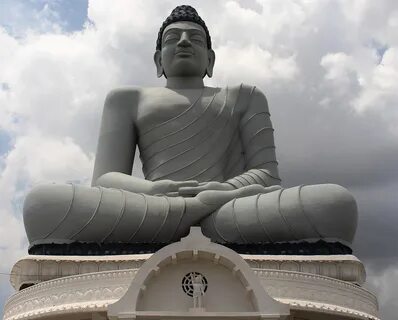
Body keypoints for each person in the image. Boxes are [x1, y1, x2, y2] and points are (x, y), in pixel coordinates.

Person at [23, 5, 357, 253]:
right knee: (42, 204)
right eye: (173, 39)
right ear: (158, 60)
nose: (184, 42)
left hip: (231, 208)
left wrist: (219, 192)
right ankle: (193, 215)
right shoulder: (126, 98)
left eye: (194, 38)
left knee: (334, 203)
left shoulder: (244, 96)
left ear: (210, 60)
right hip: (154, 207)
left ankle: (195, 215)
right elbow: (106, 180)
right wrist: (155, 192)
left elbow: (266, 175)